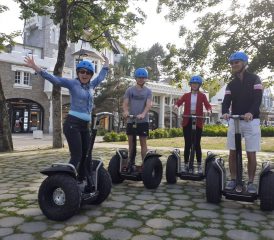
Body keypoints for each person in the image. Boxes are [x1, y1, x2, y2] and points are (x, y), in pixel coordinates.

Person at [24, 54, 109, 180]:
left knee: (87, 154)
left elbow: (101, 76)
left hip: (85, 126)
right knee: (77, 155)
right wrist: (36, 68)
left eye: (88, 73)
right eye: (82, 72)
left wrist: (106, 63)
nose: (85, 75)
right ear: (78, 72)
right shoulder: (72, 83)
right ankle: (66, 181)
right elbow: (55, 80)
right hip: (72, 124)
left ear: (91, 75)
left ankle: (82, 180)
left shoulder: (91, 85)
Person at [222, 51, 263, 194]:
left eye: (236, 62)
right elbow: (226, 102)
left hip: (251, 120)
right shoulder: (231, 84)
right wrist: (225, 112)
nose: (234, 65)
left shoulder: (255, 79)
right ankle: (233, 179)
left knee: (251, 153)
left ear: (244, 63)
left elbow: (258, 99)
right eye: (232, 63)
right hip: (235, 120)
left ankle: (251, 182)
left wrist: (251, 112)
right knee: (232, 152)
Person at [174, 75, 212, 174]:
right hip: (187, 120)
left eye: (196, 84)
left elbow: (208, 105)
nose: (194, 85)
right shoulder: (186, 95)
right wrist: (176, 106)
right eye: (193, 83)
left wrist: (209, 111)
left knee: (196, 144)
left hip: (198, 120)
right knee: (187, 143)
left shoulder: (202, 96)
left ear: (199, 85)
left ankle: (199, 165)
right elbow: (179, 102)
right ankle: (186, 164)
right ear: (190, 85)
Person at [123, 68, 152, 171]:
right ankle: (131, 162)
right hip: (131, 120)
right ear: (136, 78)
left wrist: (143, 114)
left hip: (143, 121)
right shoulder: (130, 90)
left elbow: (148, 105)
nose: (141, 79)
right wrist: (126, 111)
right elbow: (125, 103)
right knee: (131, 143)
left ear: (145, 79)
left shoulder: (148, 91)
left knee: (143, 142)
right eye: (139, 77)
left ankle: (145, 165)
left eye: (143, 77)